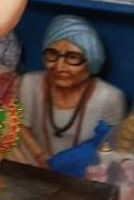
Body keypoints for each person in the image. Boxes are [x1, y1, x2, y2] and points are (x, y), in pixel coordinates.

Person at [17, 15, 126, 177]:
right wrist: (41, 158)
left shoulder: (110, 97)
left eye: (72, 57)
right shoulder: (29, 83)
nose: (59, 67)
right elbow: (21, 127)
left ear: (91, 60)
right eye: (52, 54)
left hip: (84, 174)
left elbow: (110, 148)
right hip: (34, 165)